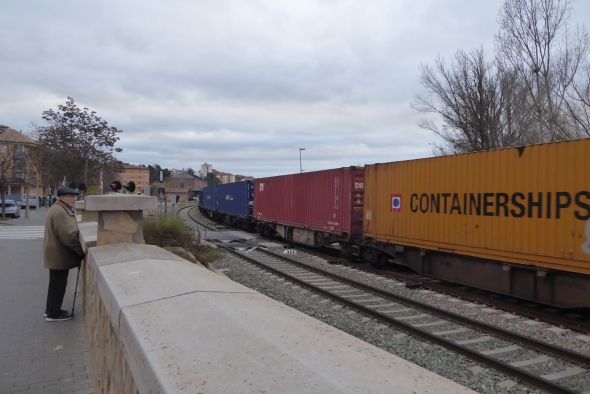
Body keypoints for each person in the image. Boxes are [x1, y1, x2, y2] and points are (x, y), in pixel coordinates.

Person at [43, 186, 85, 322]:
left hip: (56, 254)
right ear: (62, 197)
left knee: (55, 284)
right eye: (71, 196)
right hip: (58, 255)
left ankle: (51, 310)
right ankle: (53, 314)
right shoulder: (60, 212)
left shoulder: (58, 208)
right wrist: (81, 252)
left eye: (75, 196)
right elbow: (69, 236)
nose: (74, 199)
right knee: (58, 285)